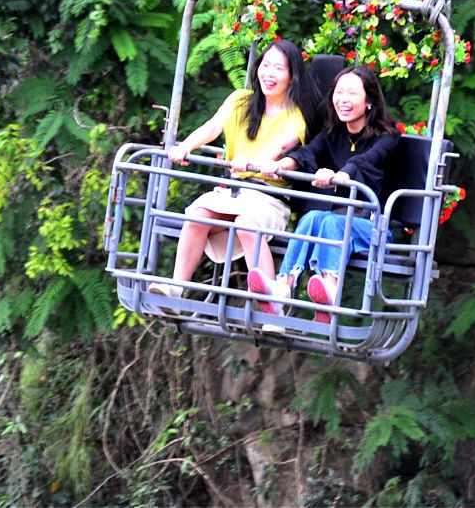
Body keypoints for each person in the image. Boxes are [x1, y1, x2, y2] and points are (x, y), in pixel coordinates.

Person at [149, 39, 322, 316]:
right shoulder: (240, 100)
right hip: (233, 192)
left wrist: (252, 163)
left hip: (267, 197)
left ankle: (273, 307)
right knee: (199, 214)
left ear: (291, 77)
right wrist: (185, 146)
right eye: (265, 65)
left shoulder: (295, 115)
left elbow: (279, 149)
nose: (269, 73)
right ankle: (177, 286)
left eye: (278, 68)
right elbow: (213, 126)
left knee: (246, 223)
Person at [245, 65, 399, 322]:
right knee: (312, 218)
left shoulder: (387, 138)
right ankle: (283, 286)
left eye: (352, 93)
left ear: (369, 101)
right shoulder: (333, 133)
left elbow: (366, 161)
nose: (343, 100)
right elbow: (308, 153)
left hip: (373, 226)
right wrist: (280, 165)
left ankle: (330, 288)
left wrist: (342, 175)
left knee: (331, 221)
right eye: (339, 92)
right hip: (339, 222)